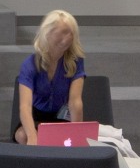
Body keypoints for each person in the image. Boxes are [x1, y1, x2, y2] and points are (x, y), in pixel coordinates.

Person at [14, 9, 87, 143]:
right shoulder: (29, 65)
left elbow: (75, 102)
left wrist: (77, 135)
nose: (68, 38)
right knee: (22, 136)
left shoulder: (76, 62)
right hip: (37, 117)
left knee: (70, 139)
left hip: (63, 116)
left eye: (71, 33)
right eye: (64, 32)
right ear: (47, 33)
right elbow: (25, 106)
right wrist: (32, 137)